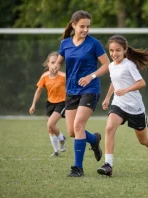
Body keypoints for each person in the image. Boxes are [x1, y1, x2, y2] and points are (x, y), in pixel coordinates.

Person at [53, 10, 110, 177]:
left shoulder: (94, 44)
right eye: (82, 26)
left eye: (88, 27)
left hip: (90, 89)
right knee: (71, 131)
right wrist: (56, 66)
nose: (85, 30)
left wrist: (91, 76)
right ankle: (93, 140)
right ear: (73, 25)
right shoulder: (65, 43)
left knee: (78, 126)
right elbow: (59, 61)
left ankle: (77, 168)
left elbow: (107, 65)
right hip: (71, 91)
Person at [96, 35, 148, 176]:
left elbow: (142, 83)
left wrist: (126, 90)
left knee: (143, 140)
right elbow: (114, 82)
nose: (114, 54)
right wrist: (108, 98)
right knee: (109, 128)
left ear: (125, 50)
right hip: (118, 104)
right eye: (111, 51)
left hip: (135, 107)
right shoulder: (111, 65)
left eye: (118, 50)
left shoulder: (129, 65)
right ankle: (108, 165)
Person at [29, 51, 66, 157]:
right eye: (53, 62)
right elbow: (38, 91)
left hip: (62, 103)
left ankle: (62, 139)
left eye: (57, 63)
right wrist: (33, 104)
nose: (55, 65)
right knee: (50, 129)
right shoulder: (44, 76)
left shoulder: (64, 76)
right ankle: (56, 151)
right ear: (48, 64)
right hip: (50, 103)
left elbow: (72, 88)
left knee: (50, 124)